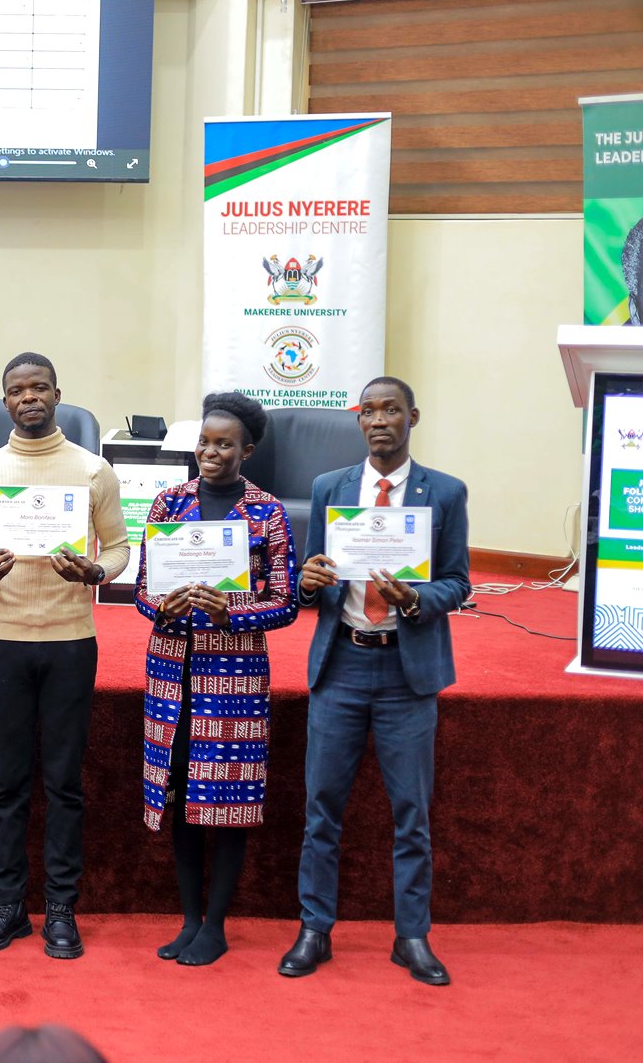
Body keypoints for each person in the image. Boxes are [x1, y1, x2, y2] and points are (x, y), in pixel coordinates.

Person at [278, 376, 470, 986]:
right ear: (358, 420)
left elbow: (459, 582)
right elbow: (308, 582)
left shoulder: (444, 492)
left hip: (405, 671)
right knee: (321, 809)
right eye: (369, 410)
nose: (380, 419)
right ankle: (315, 929)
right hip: (341, 666)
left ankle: (411, 936)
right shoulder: (329, 488)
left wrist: (418, 599)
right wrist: (308, 580)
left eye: (392, 409)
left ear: (413, 416)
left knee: (411, 813)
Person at [0, 353, 130, 960]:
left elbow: (118, 549)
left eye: (39, 388)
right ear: (4, 400)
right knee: (9, 783)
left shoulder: (93, 471)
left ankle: (61, 908)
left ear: (58, 393)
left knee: (63, 783)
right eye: (17, 390)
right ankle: (8, 907)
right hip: (4, 639)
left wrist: (95, 571)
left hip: (69, 641)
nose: (28, 397)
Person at [133, 392, 297, 966]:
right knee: (178, 790)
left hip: (235, 673)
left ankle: (218, 925)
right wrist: (162, 608)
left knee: (228, 798)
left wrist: (234, 614)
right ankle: (190, 920)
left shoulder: (267, 512)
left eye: (224, 444)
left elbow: (286, 602)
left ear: (246, 450)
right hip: (171, 670)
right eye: (205, 441)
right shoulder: (167, 502)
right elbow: (143, 591)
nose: (210, 451)